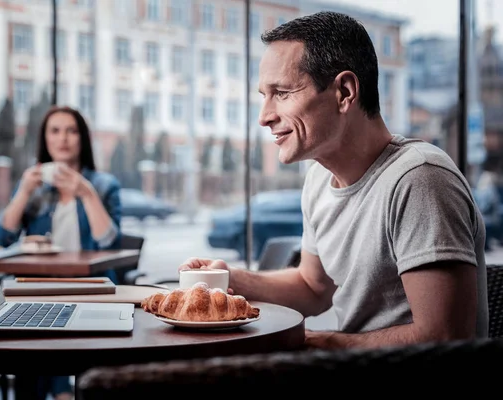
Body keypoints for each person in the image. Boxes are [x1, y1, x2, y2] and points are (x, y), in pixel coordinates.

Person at [179, 11, 488, 350]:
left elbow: (446, 339)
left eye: (282, 92)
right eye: (263, 95)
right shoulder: (318, 179)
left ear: (344, 91)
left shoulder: (420, 180)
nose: (264, 116)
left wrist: (318, 344)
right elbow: (313, 289)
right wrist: (229, 278)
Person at [0, 105, 122, 400]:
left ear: (83, 139)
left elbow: (110, 244)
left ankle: (61, 390)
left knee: (47, 336)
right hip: (37, 287)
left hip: (90, 288)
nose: (63, 138)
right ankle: (61, 391)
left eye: (71, 130)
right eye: (55, 131)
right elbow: (3, 238)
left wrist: (85, 192)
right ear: (45, 139)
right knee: (35, 333)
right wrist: (24, 191)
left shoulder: (103, 185)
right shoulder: (35, 188)